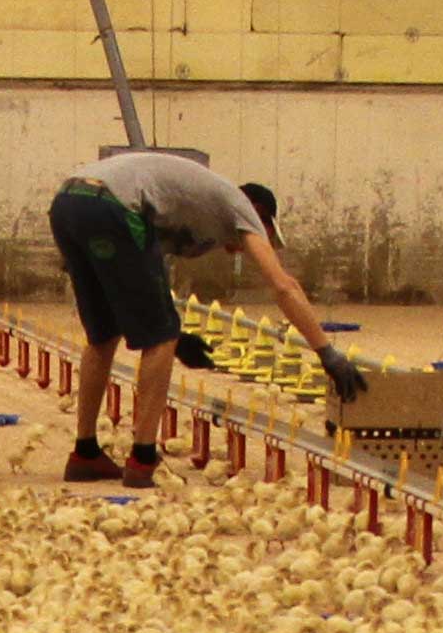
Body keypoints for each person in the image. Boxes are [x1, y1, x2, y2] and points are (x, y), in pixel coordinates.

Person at [49, 148, 361, 485]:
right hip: (112, 206)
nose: (243, 248)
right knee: (160, 336)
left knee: (103, 334)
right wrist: (326, 352)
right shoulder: (240, 207)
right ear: (260, 215)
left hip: (69, 202)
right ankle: (142, 459)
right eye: (264, 236)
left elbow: (138, 285)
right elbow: (284, 286)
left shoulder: (187, 207)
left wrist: (177, 337)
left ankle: (85, 454)